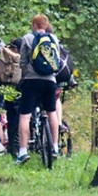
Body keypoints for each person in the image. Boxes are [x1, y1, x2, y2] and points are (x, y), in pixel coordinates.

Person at [15, 14, 61, 165]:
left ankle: (22, 152)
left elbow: (22, 62)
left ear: (34, 25)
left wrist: (28, 72)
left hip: (31, 81)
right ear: (46, 26)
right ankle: (55, 146)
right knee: (52, 112)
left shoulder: (27, 38)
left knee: (25, 116)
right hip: (50, 81)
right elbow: (57, 62)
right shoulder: (54, 39)